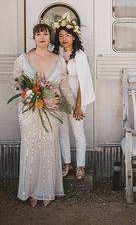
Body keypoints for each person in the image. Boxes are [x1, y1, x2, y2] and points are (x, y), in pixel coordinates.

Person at [13, 23, 75, 207]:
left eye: (45, 34)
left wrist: (73, 105)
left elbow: (63, 85)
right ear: (34, 38)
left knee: (48, 147)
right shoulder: (23, 59)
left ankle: (47, 190)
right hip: (29, 111)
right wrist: (34, 97)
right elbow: (17, 85)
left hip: (52, 111)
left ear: (50, 38)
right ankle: (31, 191)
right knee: (31, 148)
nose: (42, 37)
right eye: (38, 34)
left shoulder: (58, 59)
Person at [53, 14, 95, 180]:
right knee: (62, 132)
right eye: (61, 36)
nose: (64, 39)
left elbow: (83, 83)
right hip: (60, 97)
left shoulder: (80, 56)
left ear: (74, 36)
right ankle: (67, 163)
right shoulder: (55, 53)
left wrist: (78, 106)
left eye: (68, 35)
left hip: (78, 97)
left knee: (78, 132)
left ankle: (80, 166)